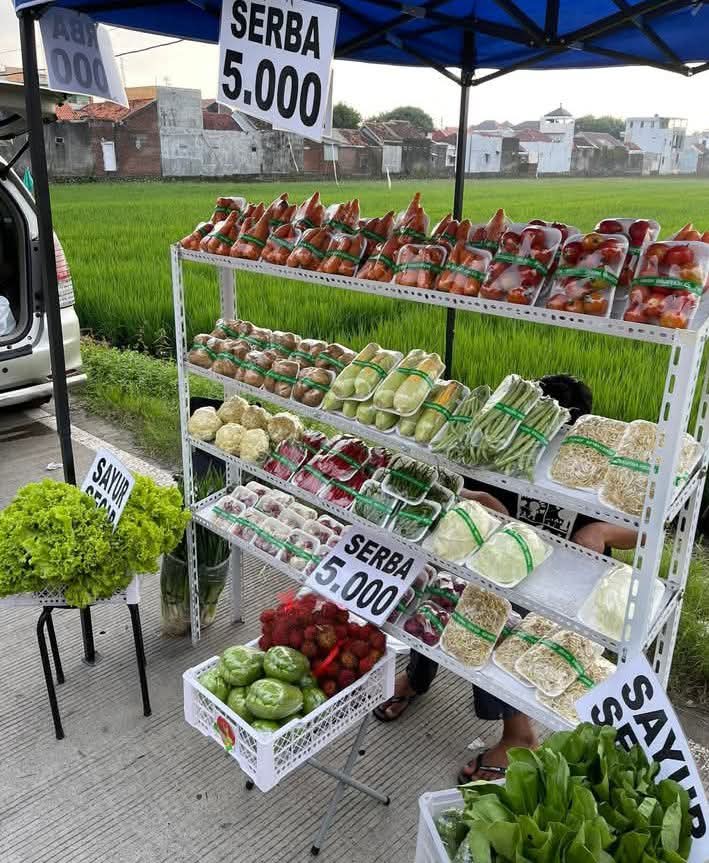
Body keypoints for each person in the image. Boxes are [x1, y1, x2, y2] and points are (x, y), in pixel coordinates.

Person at [373, 374, 637, 782]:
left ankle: (519, 736)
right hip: (498, 562)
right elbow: (484, 503)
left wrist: (602, 531)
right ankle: (418, 676)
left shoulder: (586, 466)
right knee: (445, 597)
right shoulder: (506, 446)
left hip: (561, 582)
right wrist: (478, 500)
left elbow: (642, 528)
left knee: (501, 631)